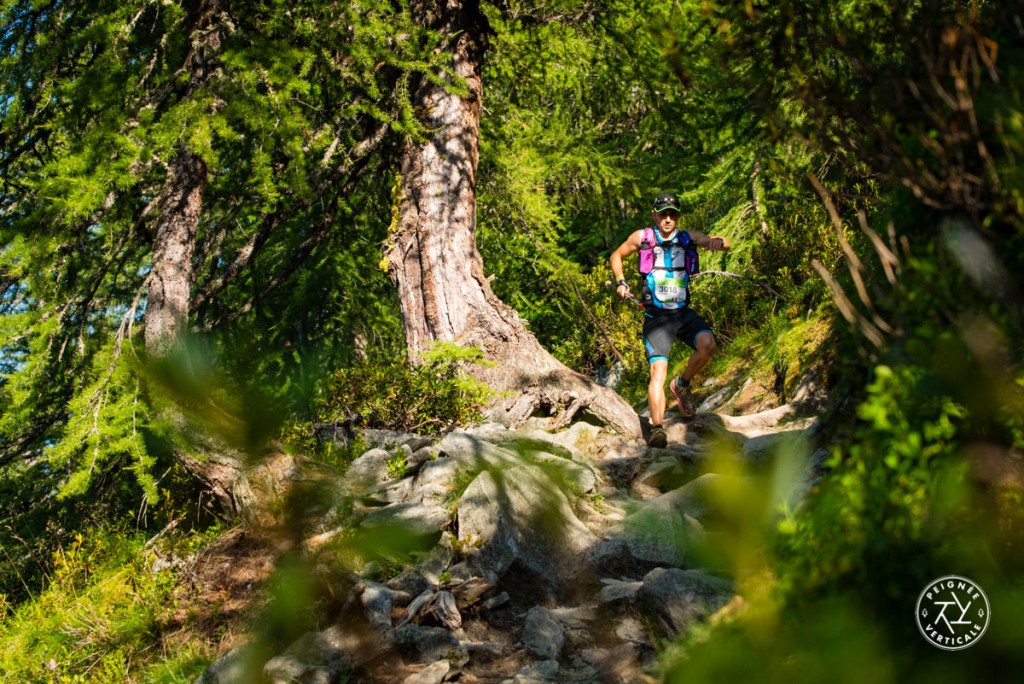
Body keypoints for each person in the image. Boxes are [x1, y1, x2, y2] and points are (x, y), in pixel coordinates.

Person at [609, 193, 728, 448]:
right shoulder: (642, 238)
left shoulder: (687, 238)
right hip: (657, 316)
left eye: (672, 214)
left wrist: (719, 243)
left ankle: (682, 384)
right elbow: (616, 256)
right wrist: (621, 282)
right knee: (658, 370)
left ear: (678, 217)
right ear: (654, 215)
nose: (668, 218)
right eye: (663, 214)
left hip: (682, 313)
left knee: (708, 345)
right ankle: (657, 429)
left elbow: (720, 242)